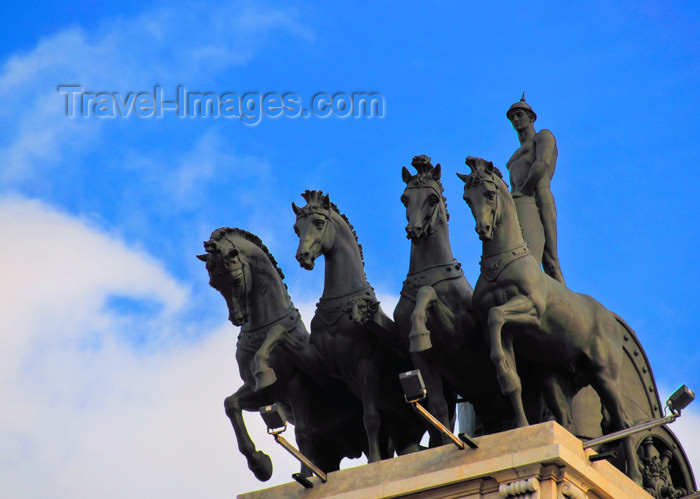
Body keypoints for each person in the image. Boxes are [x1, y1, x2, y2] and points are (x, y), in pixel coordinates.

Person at [505, 94, 565, 284]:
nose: (515, 119)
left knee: (550, 260)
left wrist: (523, 192)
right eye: (512, 116)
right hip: (517, 204)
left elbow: (542, 165)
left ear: (531, 118)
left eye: (519, 115)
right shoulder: (514, 156)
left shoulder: (543, 136)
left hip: (538, 198)